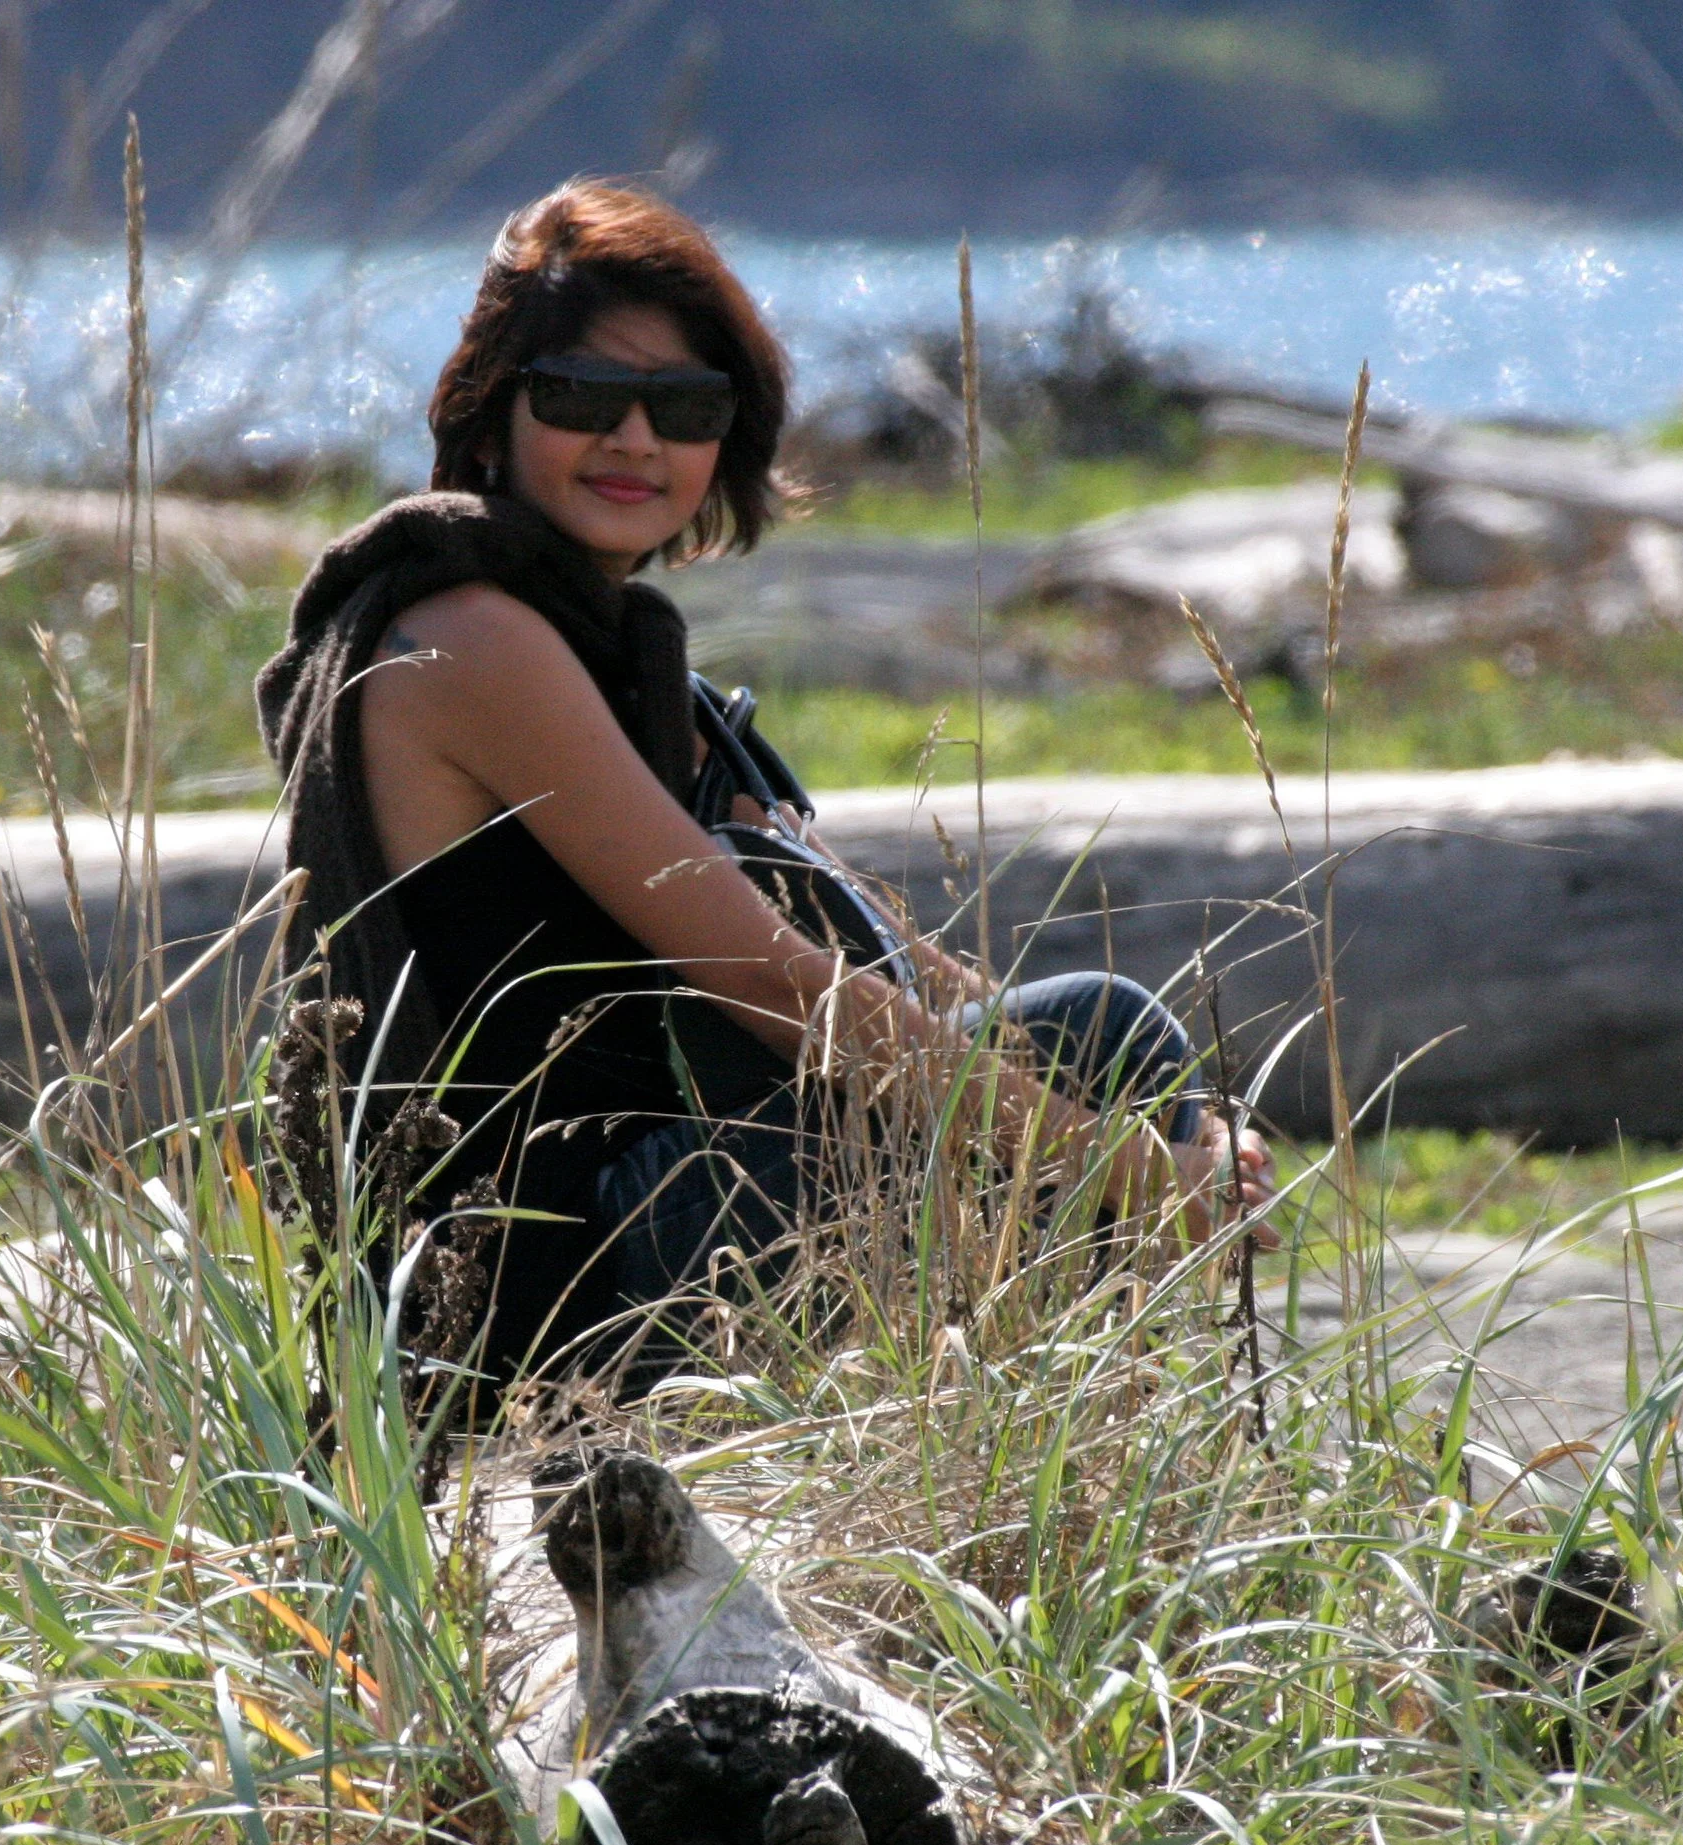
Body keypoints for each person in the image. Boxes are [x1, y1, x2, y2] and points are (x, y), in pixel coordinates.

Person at [257, 180, 1273, 1395]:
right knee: (1089, 1043)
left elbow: (893, 964)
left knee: (1089, 1034)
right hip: (534, 1282)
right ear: (491, 417)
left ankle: (1079, 1471)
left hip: (655, 1202)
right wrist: (1123, 1169)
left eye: (683, 407)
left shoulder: (624, 664)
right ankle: (1095, 1459)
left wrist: (1191, 1126)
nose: (635, 440)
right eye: (581, 395)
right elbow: (764, 979)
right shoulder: (475, 639)